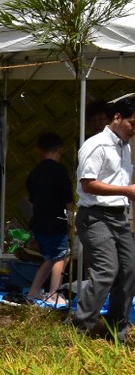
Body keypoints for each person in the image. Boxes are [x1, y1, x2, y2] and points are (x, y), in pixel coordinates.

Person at [71, 101, 135, 341]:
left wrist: (126, 193)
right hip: (96, 216)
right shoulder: (96, 145)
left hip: (119, 216)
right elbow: (87, 184)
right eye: (132, 123)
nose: (134, 129)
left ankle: (116, 330)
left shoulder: (125, 147)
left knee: (129, 271)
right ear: (117, 117)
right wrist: (126, 190)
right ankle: (81, 328)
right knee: (107, 270)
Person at [25, 132, 73, 308]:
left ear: (39, 150)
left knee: (49, 258)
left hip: (39, 222)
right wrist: (71, 221)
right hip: (56, 221)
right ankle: (54, 294)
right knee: (62, 256)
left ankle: (34, 291)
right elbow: (68, 200)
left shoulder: (35, 173)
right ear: (61, 150)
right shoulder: (60, 171)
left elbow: (31, 200)